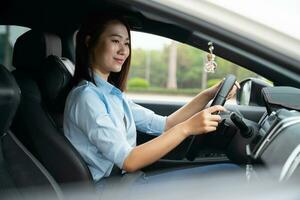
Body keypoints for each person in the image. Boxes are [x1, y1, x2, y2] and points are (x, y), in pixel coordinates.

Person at [63, 13, 239, 189]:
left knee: (227, 172)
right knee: (228, 175)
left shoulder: (110, 94)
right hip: (113, 190)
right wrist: (187, 128)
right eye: (115, 41)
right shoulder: (87, 98)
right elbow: (129, 160)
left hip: (125, 182)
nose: (123, 51)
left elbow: (165, 124)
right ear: (89, 42)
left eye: (127, 43)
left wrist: (208, 94)